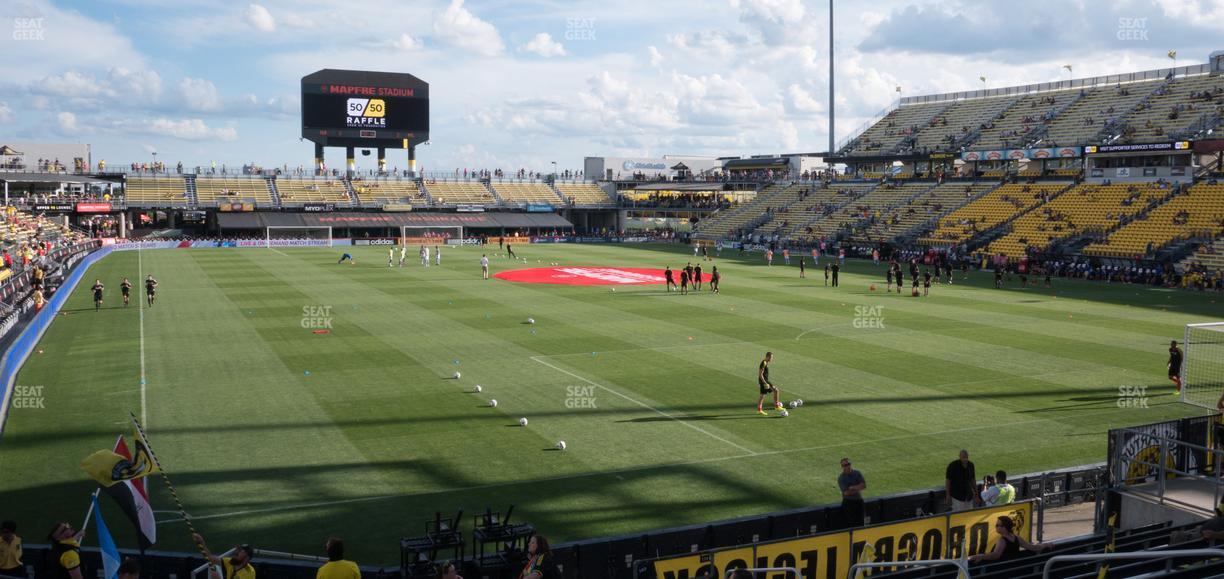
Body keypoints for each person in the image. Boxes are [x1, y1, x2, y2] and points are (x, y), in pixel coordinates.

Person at [968, 517, 1048, 564]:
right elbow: (1033, 547)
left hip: (1000, 569)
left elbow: (995, 555)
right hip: (1012, 567)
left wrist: (981, 556)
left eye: (997, 525)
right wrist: (1045, 545)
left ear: (1004, 527)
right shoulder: (1017, 538)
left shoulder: (1002, 541)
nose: (996, 527)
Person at [838, 458, 867, 527]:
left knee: (862, 523)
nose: (847, 466)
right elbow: (846, 493)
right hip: (848, 503)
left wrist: (853, 487)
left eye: (848, 464)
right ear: (842, 467)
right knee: (851, 524)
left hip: (859, 501)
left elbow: (864, 485)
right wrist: (858, 488)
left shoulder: (857, 473)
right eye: (845, 465)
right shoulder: (841, 478)